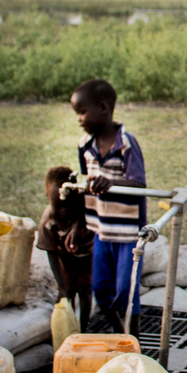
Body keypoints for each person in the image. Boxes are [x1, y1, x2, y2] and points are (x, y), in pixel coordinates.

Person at [70, 79, 147, 338]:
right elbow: (84, 186)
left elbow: (138, 183)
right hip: (101, 230)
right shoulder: (85, 146)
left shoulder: (126, 144)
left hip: (127, 233)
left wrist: (111, 182)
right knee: (100, 289)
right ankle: (120, 332)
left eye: (82, 112)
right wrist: (79, 224)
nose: (79, 119)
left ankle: (134, 342)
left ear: (103, 107)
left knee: (126, 290)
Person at [36, 166, 95, 332]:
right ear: (48, 198)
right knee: (66, 294)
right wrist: (60, 285)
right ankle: (64, 332)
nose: (64, 211)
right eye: (57, 206)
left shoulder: (84, 204)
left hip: (88, 255)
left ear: (76, 193)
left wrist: (77, 226)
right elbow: (52, 255)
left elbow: (90, 203)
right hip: (65, 259)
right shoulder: (48, 222)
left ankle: (84, 329)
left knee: (85, 292)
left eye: (68, 205)